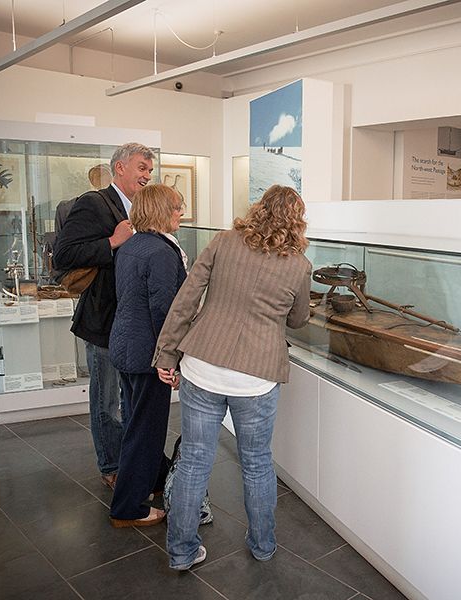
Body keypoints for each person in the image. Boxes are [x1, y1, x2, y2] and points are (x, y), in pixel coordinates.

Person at [153, 184, 312, 570]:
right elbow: (298, 319)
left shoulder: (223, 242)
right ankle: (262, 545)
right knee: (257, 462)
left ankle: (181, 551)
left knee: (193, 460)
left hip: (202, 365)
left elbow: (186, 299)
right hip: (256, 378)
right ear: (298, 222)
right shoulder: (299, 266)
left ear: (257, 209)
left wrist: (168, 353)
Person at [54, 142, 155, 490]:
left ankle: (130, 460)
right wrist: (112, 242)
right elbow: (63, 254)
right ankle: (111, 465)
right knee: (106, 399)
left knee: (129, 398)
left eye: (150, 170)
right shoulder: (93, 203)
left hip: (131, 321)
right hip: (103, 321)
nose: (147, 175)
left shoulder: (138, 210)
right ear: (120, 168)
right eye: (142, 168)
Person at [108, 184, 187, 527]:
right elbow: (165, 311)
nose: (181, 213)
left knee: (138, 422)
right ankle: (128, 507)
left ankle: (154, 481)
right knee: (146, 428)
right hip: (147, 354)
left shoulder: (132, 246)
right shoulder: (161, 253)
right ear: (160, 211)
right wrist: (169, 360)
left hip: (126, 346)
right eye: (177, 208)